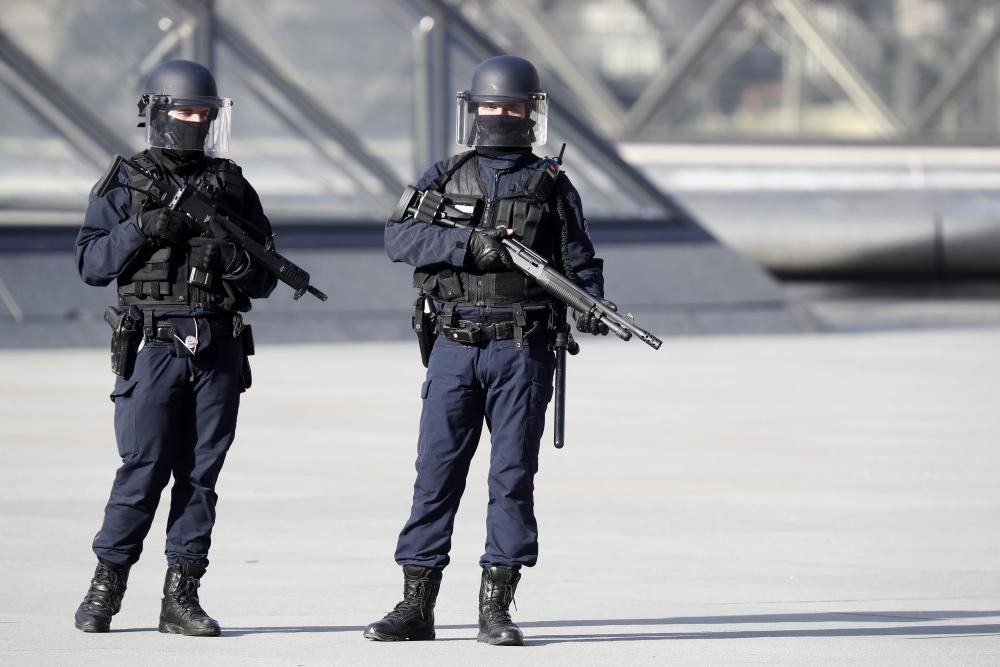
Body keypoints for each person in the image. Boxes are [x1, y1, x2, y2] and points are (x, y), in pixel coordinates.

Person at [365, 55, 610, 646]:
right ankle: (415, 604)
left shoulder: (553, 186)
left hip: (522, 348)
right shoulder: (447, 176)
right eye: (492, 106)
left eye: (513, 107)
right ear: (473, 111)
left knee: (512, 478)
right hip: (453, 344)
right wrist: (467, 248)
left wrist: (590, 303)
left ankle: (496, 606)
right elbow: (399, 236)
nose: (502, 116)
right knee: (436, 475)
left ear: (532, 114)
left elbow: (580, 261)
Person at [73, 59, 277, 636]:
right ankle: (105, 587)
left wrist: (234, 260)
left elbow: (265, 275)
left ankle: (181, 597)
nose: (193, 122)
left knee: (201, 475)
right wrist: (144, 228)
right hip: (153, 345)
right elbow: (90, 263)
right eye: (184, 111)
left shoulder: (231, 185)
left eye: (202, 113)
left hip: (218, 348)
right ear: (159, 114)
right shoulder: (127, 182)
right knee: (142, 469)